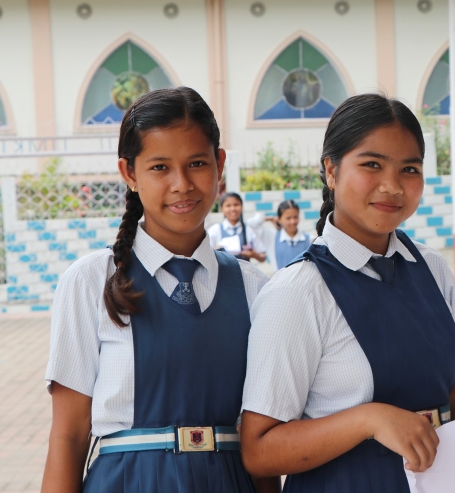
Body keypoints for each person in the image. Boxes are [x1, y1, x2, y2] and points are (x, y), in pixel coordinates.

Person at [239, 93, 455, 492]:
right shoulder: (298, 292)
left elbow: (445, 387)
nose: (392, 186)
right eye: (372, 165)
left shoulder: (433, 269)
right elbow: (259, 450)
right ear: (331, 170)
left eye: (409, 169)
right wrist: (367, 420)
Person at [41, 88, 280, 493]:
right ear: (129, 173)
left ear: (220, 165)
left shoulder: (256, 288)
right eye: (159, 168)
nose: (181, 184)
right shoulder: (89, 282)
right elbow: (68, 436)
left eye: (197, 163)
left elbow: (263, 440)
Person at [247, 200, 312, 272]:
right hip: (281, 283)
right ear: (279, 219)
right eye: (288, 218)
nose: (293, 221)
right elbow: (251, 223)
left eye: (295, 217)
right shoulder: (272, 237)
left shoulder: (309, 239)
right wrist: (270, 218)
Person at [208, 192, 267, 263]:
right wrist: (215, 251)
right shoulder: (215, 230)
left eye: (236, 205)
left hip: (244, 273)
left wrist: (254, 255)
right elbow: (206, 256)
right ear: (222, 209)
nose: (233, 209)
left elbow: (263, 257)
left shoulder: (248, 229)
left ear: (242, 207)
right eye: (228, 205)